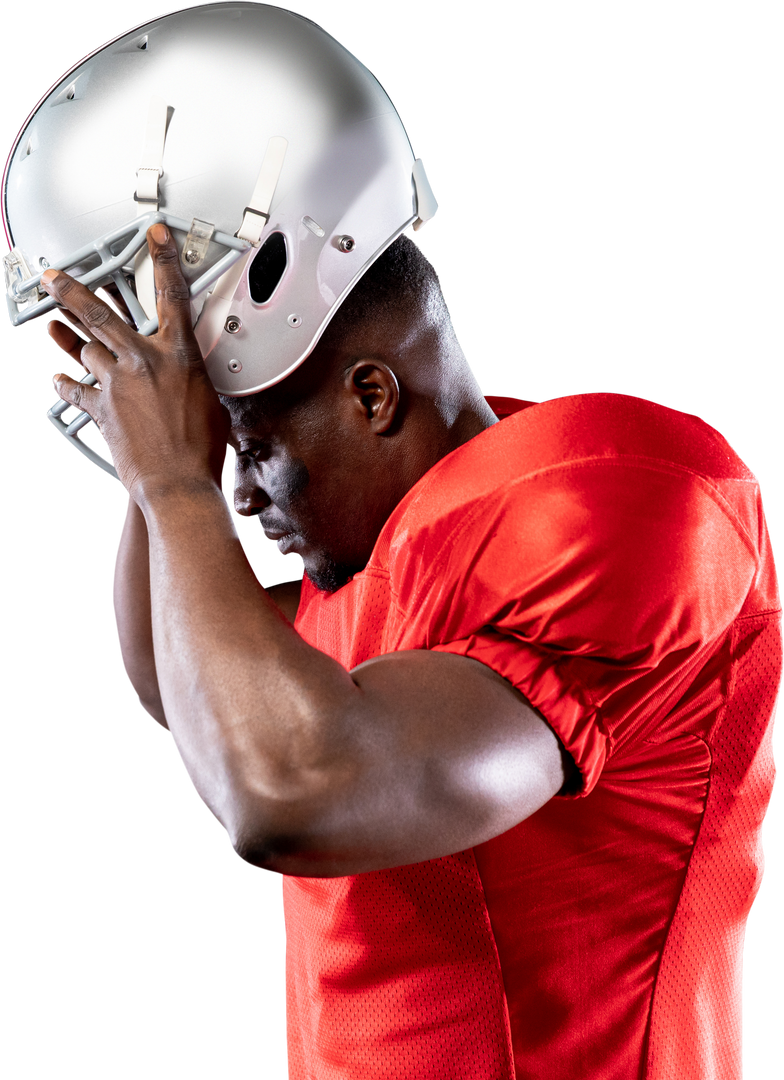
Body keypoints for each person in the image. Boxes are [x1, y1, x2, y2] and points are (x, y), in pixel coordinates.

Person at [3, 5, 779, 1077]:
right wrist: (162, 439)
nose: (235, 504)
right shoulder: (370, 542)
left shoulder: (621, 501)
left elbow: (289, 794)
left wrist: (175, 477)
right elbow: (178, 686)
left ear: (372, 395)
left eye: (251, 452)